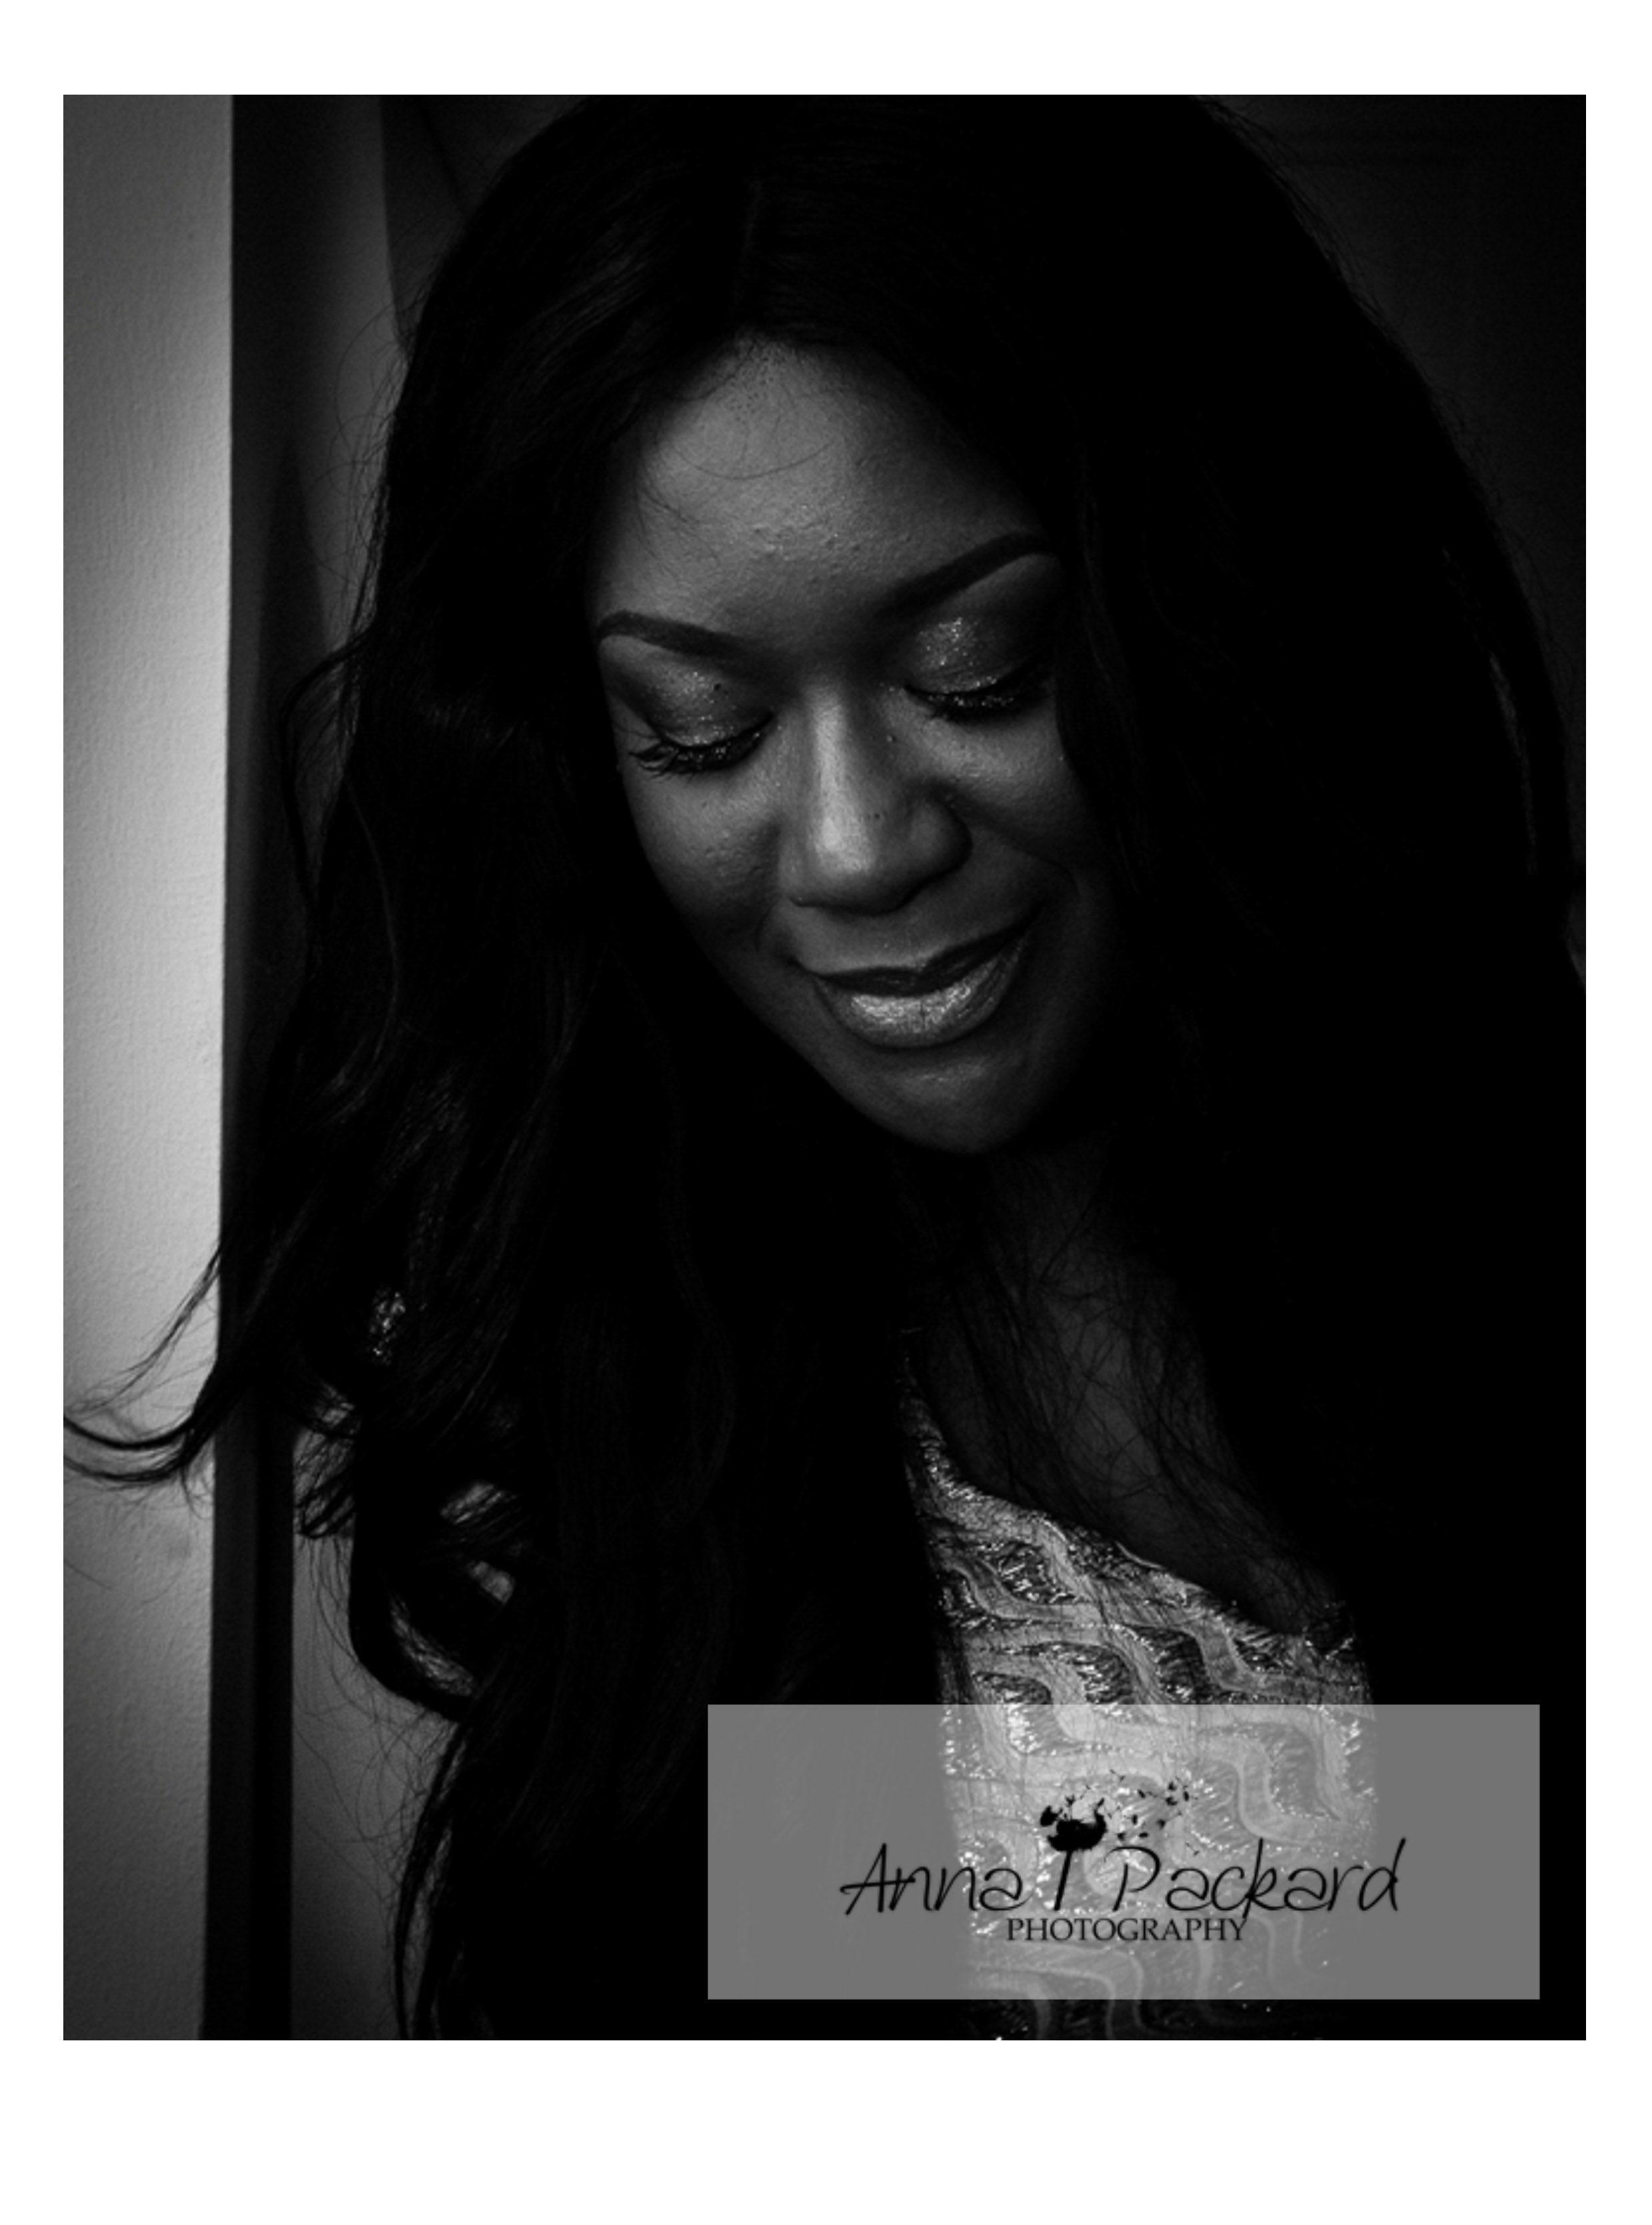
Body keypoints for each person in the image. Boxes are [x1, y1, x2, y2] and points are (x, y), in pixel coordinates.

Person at [83, 97, 1579, 2037]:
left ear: (1220, 616)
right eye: (701, 730)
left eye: (978, 672)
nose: (863, 847)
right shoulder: (645, 1353)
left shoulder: (1546, 1222)